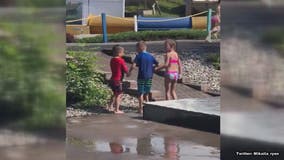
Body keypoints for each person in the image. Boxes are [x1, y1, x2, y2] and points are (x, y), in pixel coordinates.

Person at [128, 41, 159, 114]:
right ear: (145, 47)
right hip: (149, 76)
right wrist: (152, 68)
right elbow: (157, 64)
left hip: (141, 77)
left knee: (140, 93)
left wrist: (129, 72)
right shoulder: (151, 56)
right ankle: (148, 106)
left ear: (139, 48)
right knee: (147, 92)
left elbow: (133, 65)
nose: (136, 50)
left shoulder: (139, 56)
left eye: (136, 49)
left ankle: (140, 108)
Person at [108, 45, 128, 114]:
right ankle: (117, 110)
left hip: (112, 79)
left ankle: (110, 106)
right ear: (119, 53)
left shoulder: (112, 59)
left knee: (114, 94)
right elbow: (125, 69)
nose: (123, 54)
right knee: (118, 95)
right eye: (123, 52)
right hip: (117, 80)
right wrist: (128, 73)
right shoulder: (121, 60)